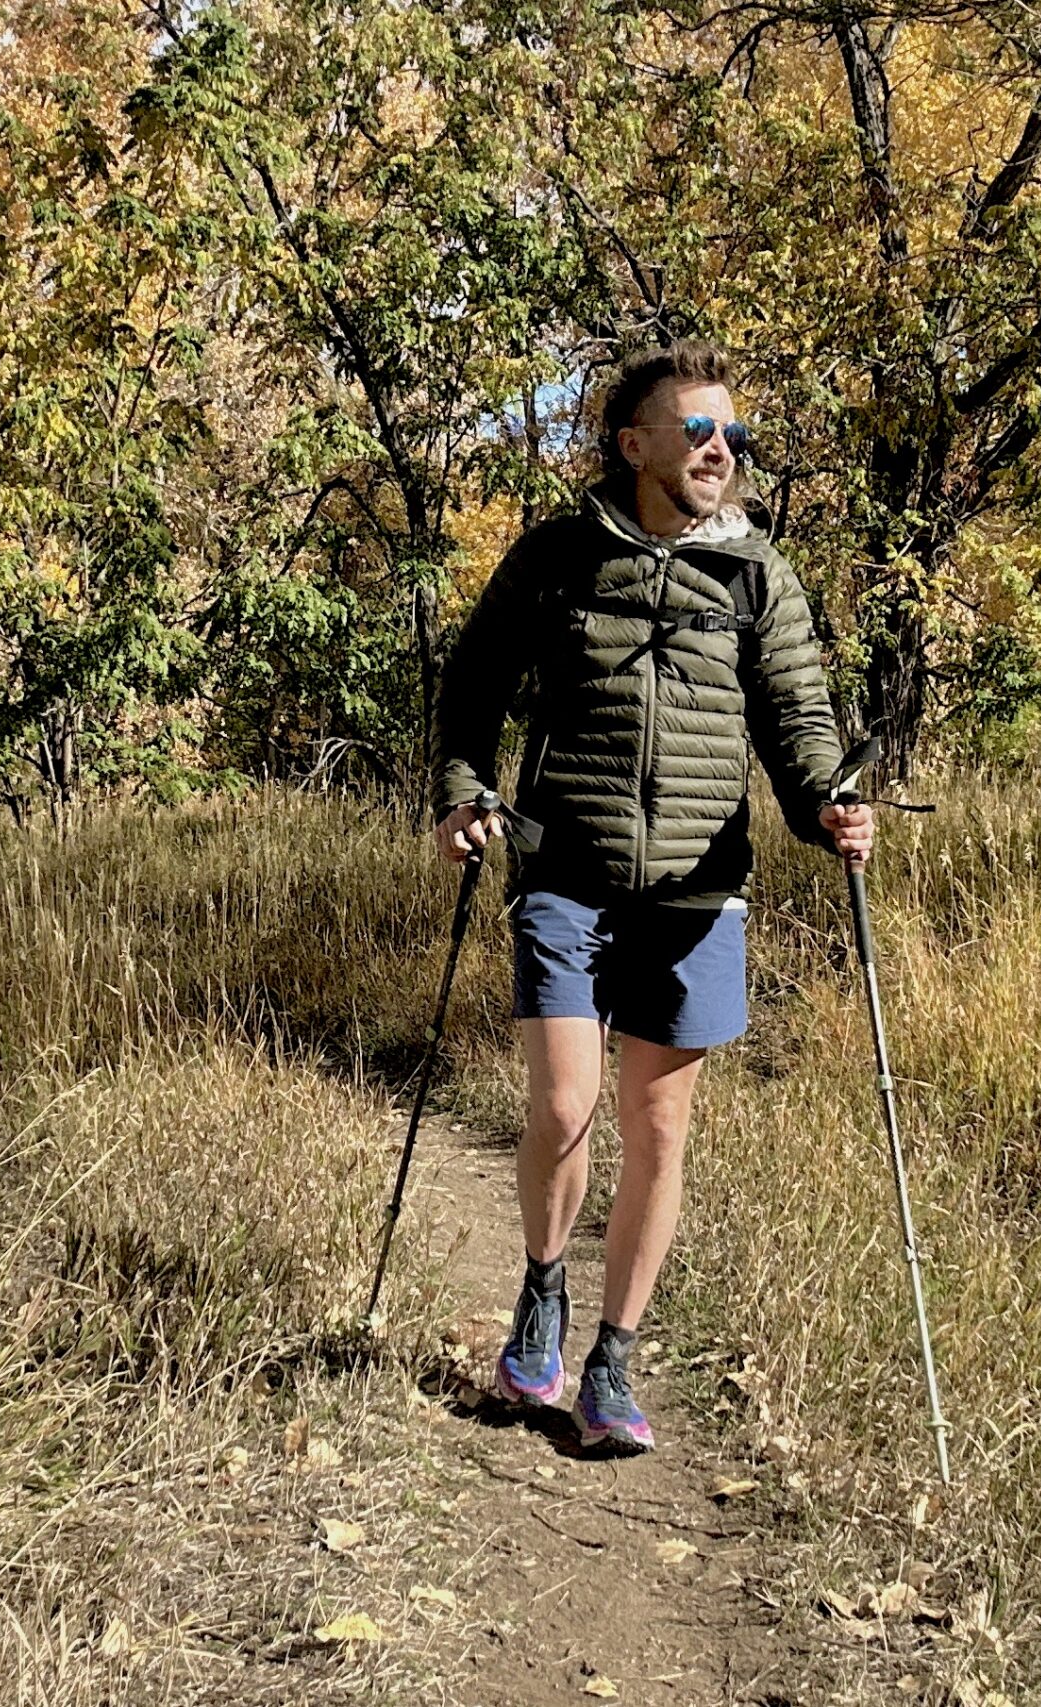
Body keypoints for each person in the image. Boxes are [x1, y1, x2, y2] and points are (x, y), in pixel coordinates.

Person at [428, 340, 873, 1453]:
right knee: (565, 1107)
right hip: (564, 870)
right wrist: (463, 790)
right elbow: (473, 682)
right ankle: (542, 1288)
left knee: (659, 1127)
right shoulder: (557, 558)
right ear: (635, 446)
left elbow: (797, 720)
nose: (720, 451)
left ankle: (613, 1361)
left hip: (697, 887)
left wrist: (827, 801)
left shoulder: (759, 573)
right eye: (698, 431)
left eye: (733, 436)